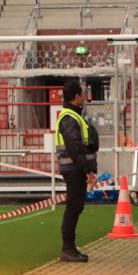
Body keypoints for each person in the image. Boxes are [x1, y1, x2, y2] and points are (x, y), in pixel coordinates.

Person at [55, 78, 99, 263]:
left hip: (75, 169)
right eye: (82, 94)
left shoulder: (74, 116)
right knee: (73, 207)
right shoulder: (69, 118)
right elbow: (74, 147)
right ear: (76, 96)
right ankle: (68, 248)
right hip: (74, 169)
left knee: (75, 206)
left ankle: (70, 247)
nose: (84, 97)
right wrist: (87, 170)